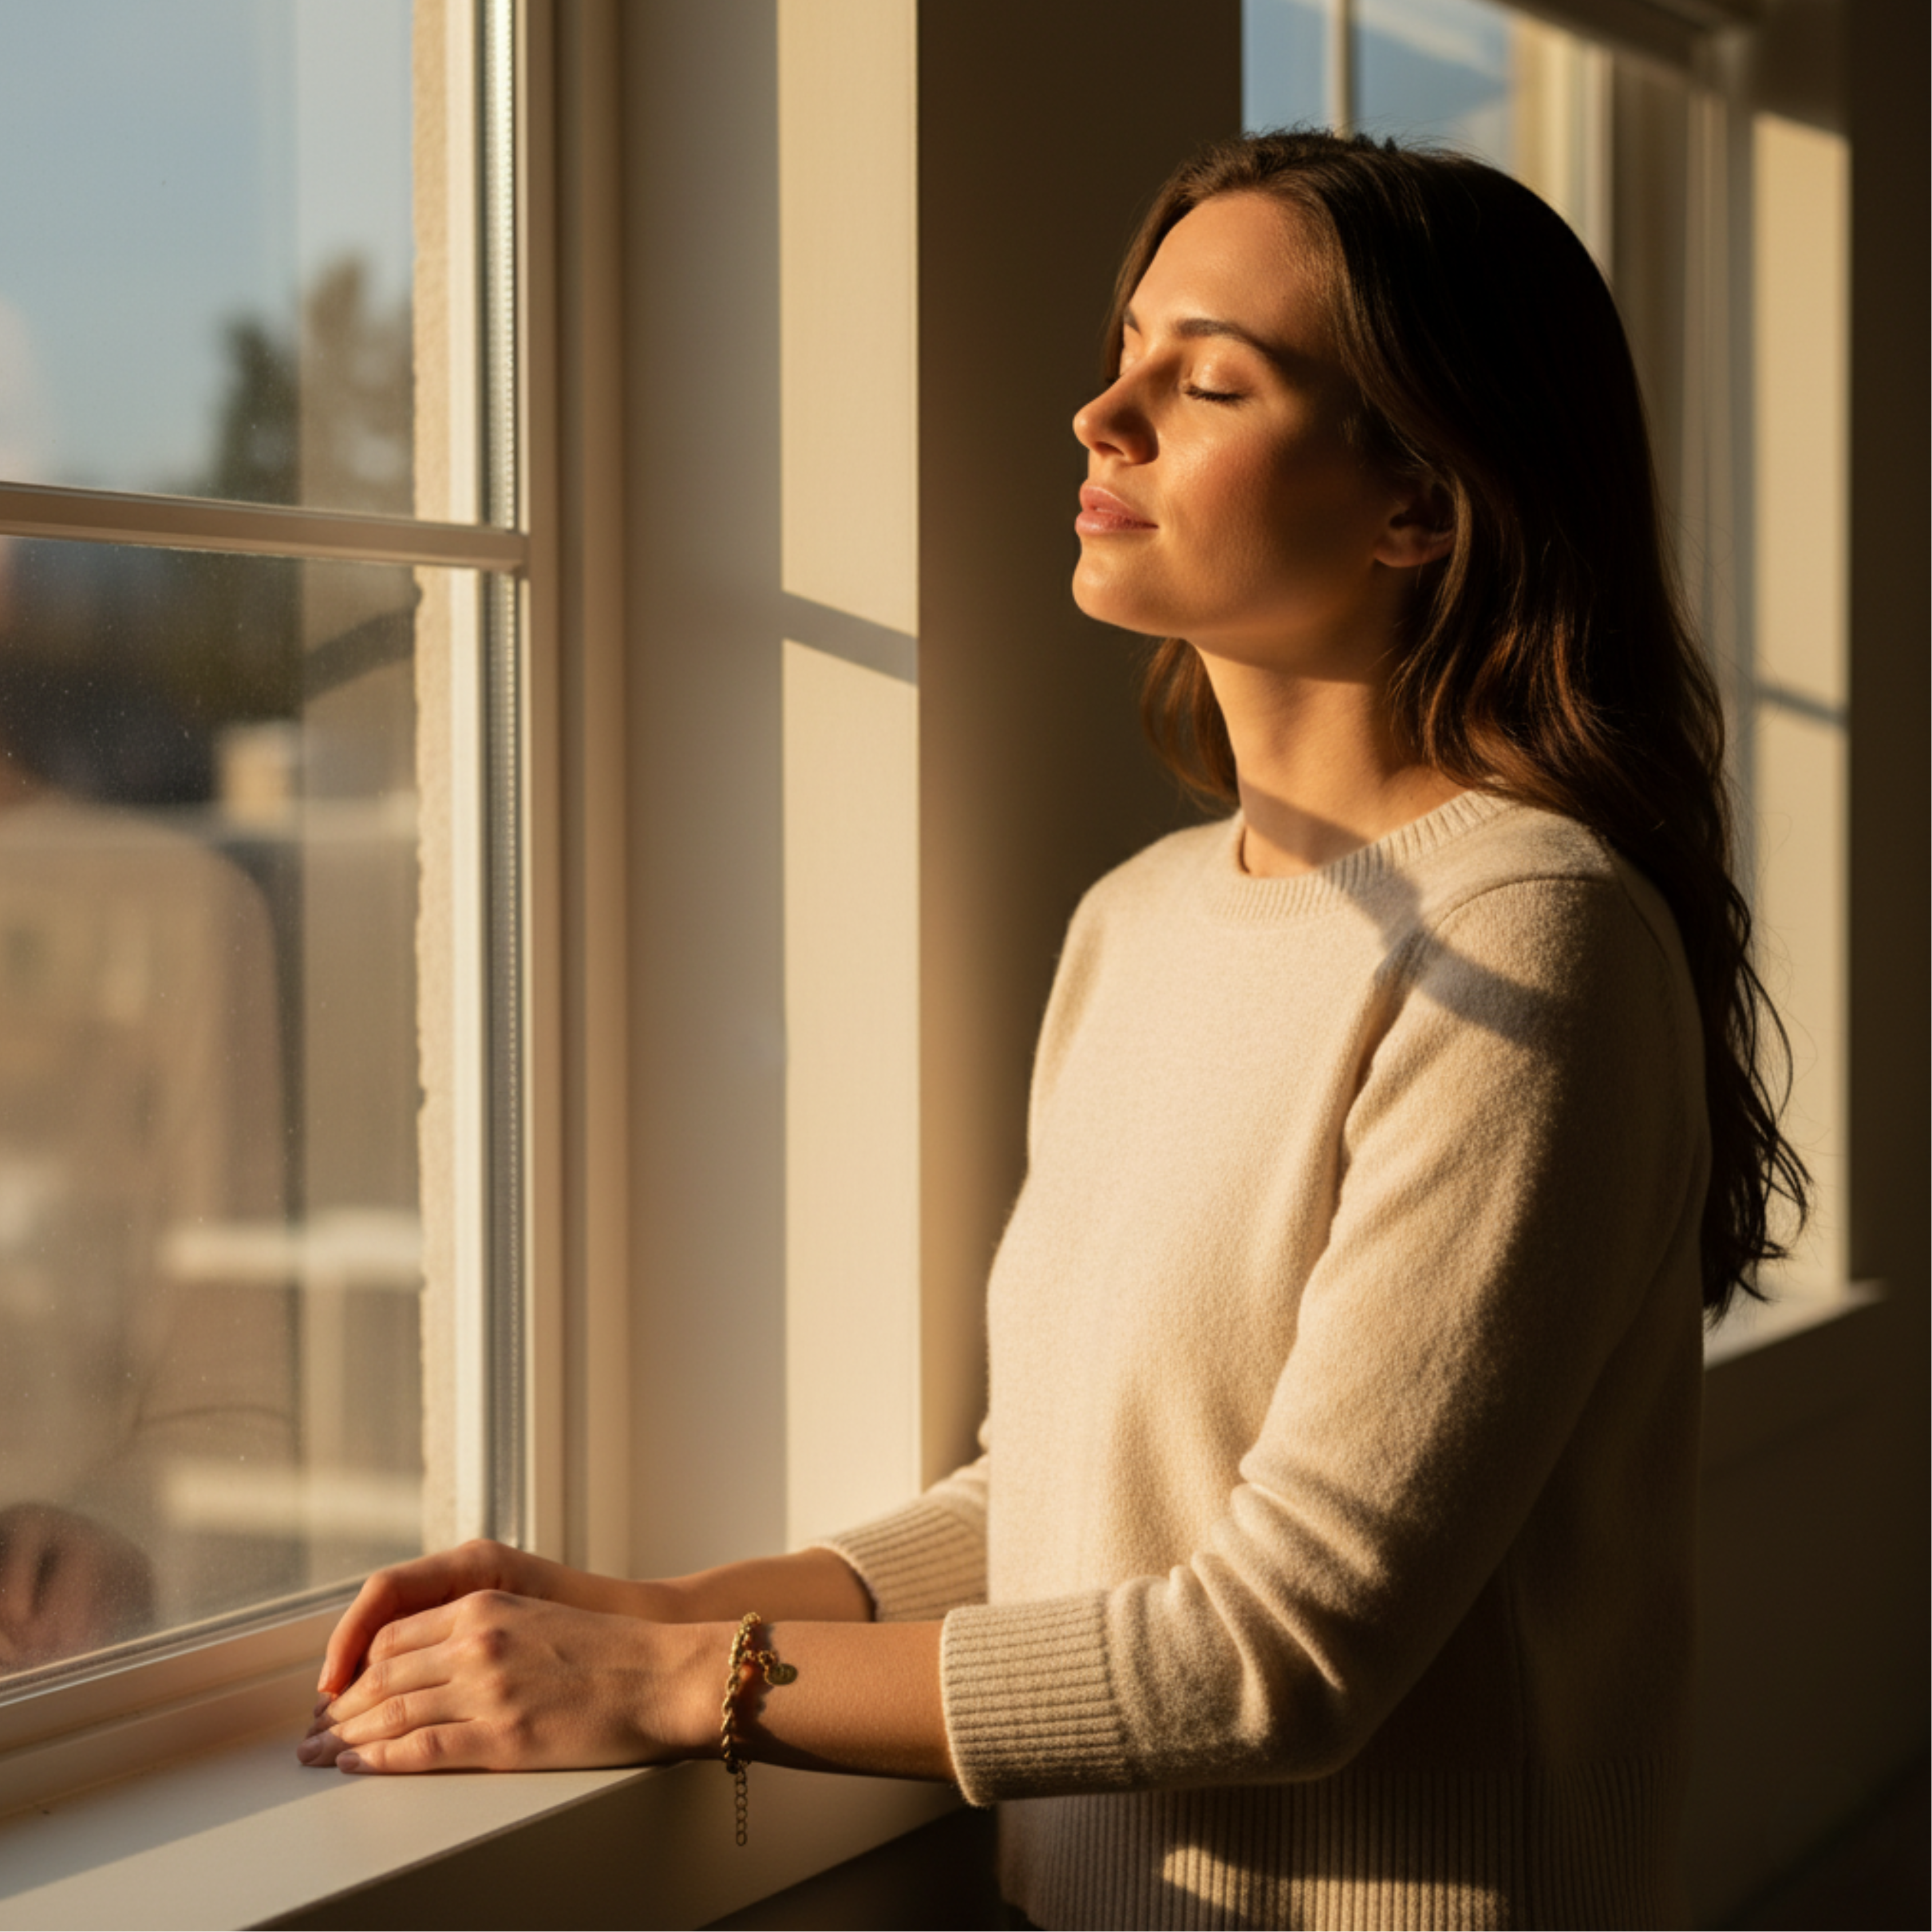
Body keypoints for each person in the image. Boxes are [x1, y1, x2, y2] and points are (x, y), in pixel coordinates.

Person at [298, 131, 1805, 1930]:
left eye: (1207, 380)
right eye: (1123, 354)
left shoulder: (1531, 943)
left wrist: (667, 1688)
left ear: (1419, 503)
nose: (1101, 414)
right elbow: (1058, 1502)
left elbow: (1278, 1653)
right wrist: (659, 1609)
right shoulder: (1138, 921)